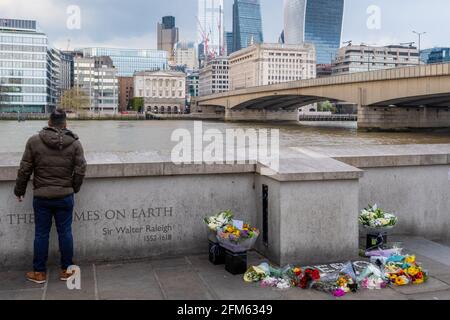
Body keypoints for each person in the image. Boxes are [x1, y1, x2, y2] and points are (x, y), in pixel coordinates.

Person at [14, 109, 87, 284]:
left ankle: (39, 273)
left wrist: (19, 190)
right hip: (64, 195)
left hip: (42, 197)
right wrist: (73, 188)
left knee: (41, 234)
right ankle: (67, 271)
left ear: (49, 123)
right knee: (65, 233)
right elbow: (81, 169)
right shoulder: (75, 143)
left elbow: (25, 169)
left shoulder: (34, 141)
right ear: (65, 124)